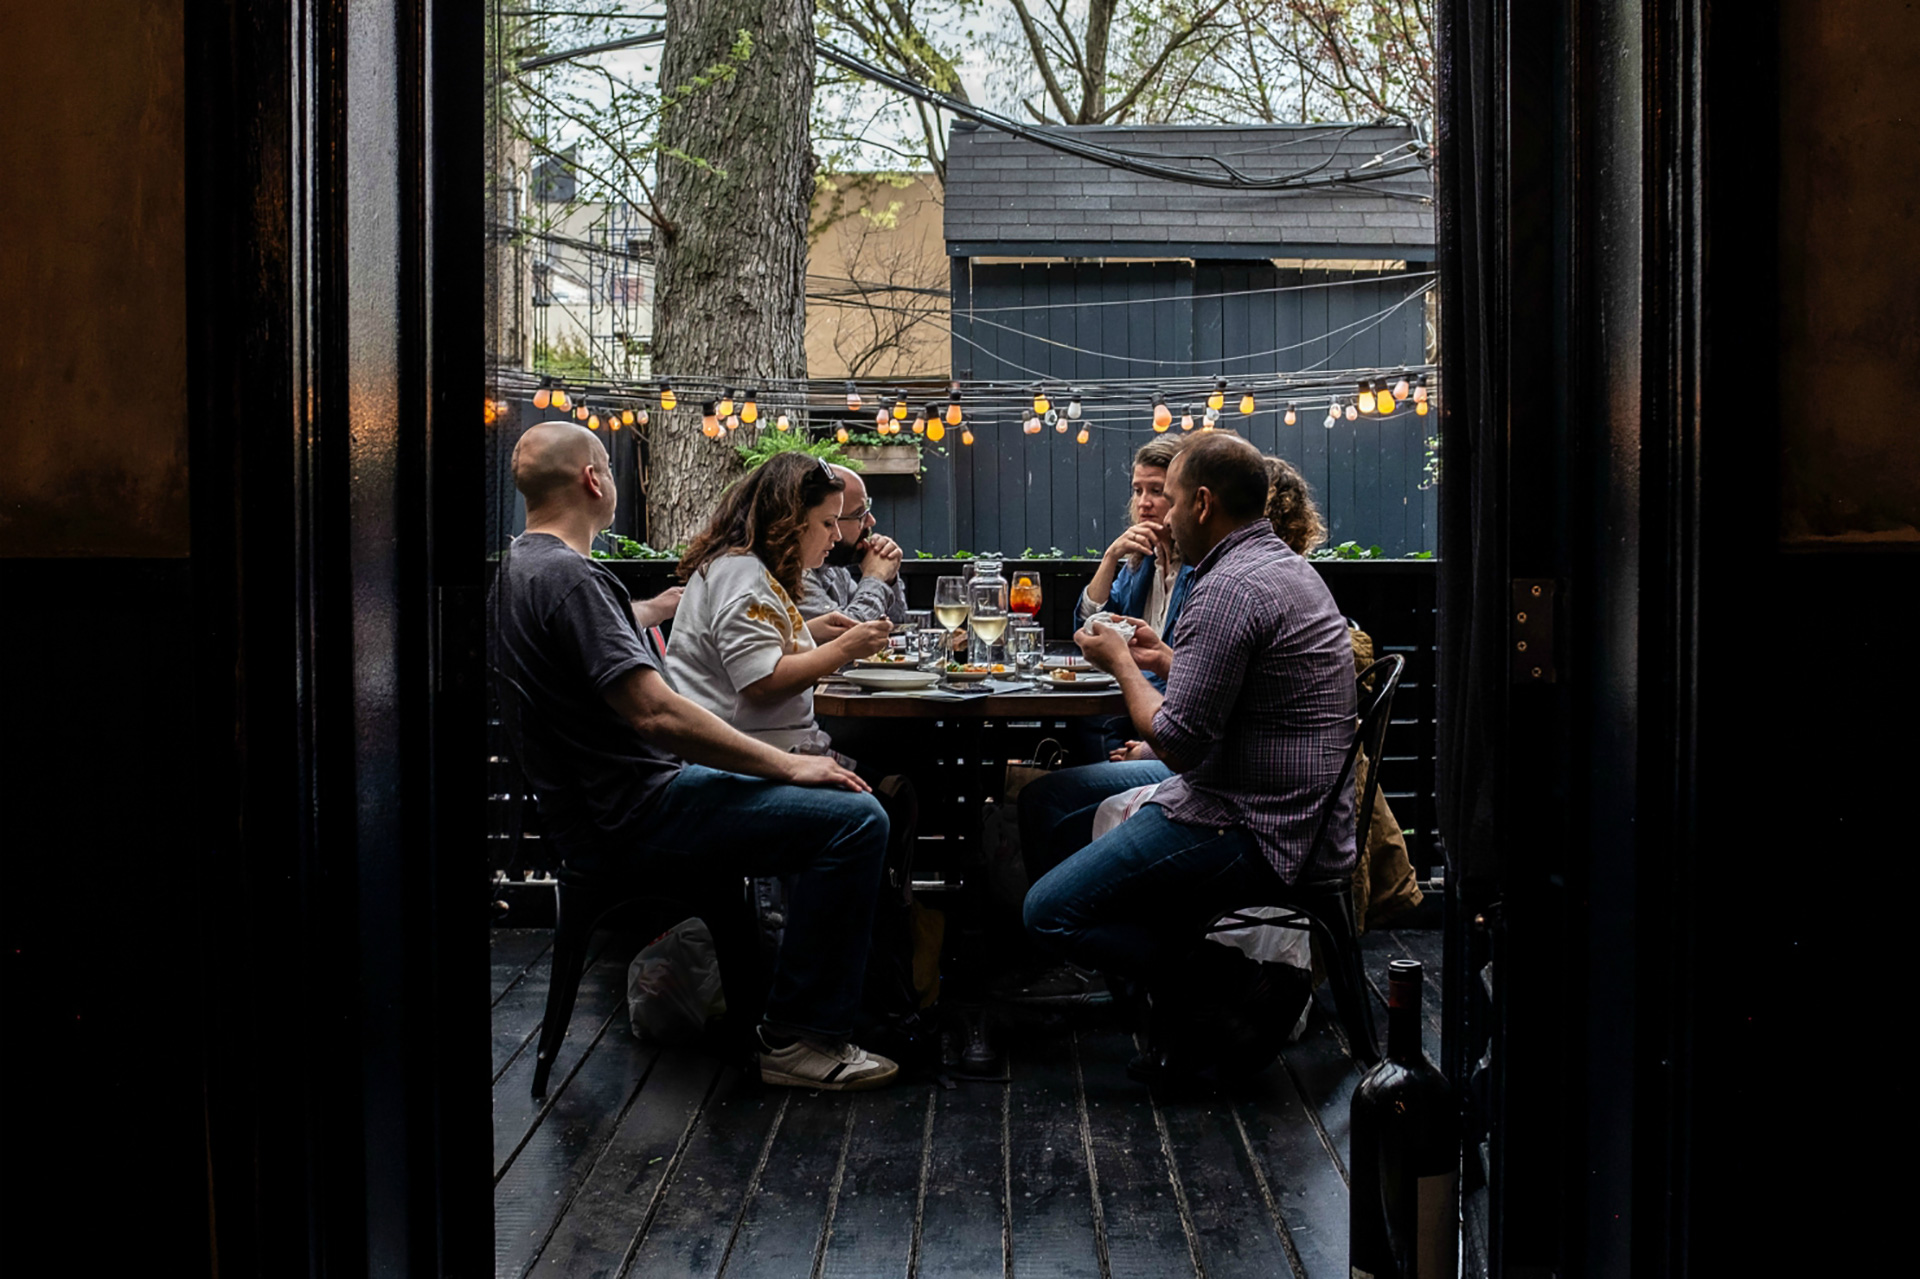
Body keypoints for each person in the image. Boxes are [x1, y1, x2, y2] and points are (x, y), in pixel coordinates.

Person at [490, 422, 898, 1091]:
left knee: (843, 799)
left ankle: (794, 1006)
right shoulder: (572, 580)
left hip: (600, 813)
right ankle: (800, 1037)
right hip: (642, 811)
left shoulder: (521, 569)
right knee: (858, 818)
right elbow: (657, 712)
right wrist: (792, 765)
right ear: (595, 479)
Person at [1022, 434, 1359, 1012]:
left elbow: (1177, 743)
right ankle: (1164, 988)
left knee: (1047, 913)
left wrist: (1122, 662)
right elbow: (1244, 690)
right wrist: (1163, 658)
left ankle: (1224, 982)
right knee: (1057, 812)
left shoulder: (1224, 587)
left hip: (1256, 826)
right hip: (1298, 811)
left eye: (1171, 500)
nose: (1165, 516)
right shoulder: (1279, 566)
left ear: (1202, 504)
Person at [665, 453, 893, 752]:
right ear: (792, 521)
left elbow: (751, 655)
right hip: (746, 759)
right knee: (889, 777)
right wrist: (845, 648)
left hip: (772, 748)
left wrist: (808, 633)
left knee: (896, 779)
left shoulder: (747, 567)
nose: (836, 536)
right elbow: (760, 685)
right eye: (828, 523)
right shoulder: (742, 576)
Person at [1076, 435, 1195, 670]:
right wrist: (1111, 556)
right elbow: (1089, 623)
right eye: (1138, 491)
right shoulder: (1141, 563)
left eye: (1157, 491)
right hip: (1131, 695)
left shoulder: (1200, 567)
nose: (1143, 503)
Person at [798, 464, 908, 625]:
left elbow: (897, 626)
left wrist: (887, 579)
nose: (871, 521)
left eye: (867, 510)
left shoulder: (834, 568)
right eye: (859, 514)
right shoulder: (795, 573)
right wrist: (875, 577)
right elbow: (850, 635)